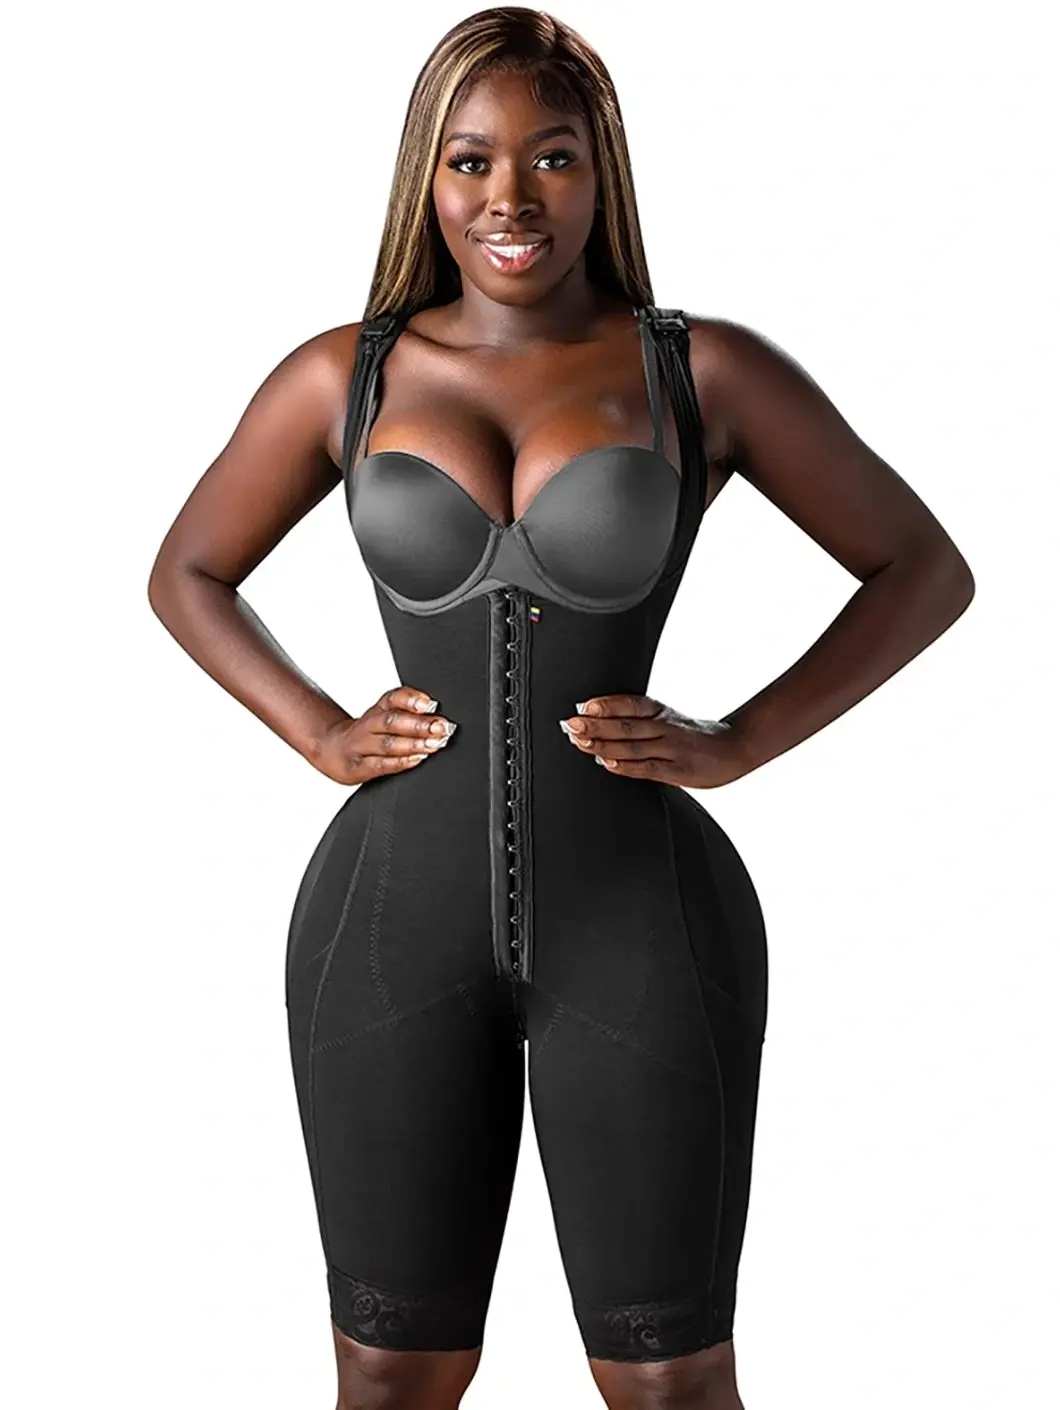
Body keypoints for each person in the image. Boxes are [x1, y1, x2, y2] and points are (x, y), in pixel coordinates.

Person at [146, 8, 974, 1408]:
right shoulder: (343, 376)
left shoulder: (696, 372)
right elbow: (187, 573)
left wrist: (742, 739)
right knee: (389, 1376)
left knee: (669, 1386)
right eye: (471, 160)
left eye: (552, 157)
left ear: (603, 172)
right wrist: (320, 732)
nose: (511, 198)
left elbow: (922, 569)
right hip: (386, 926)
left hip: (642, 920)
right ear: (428, 176)